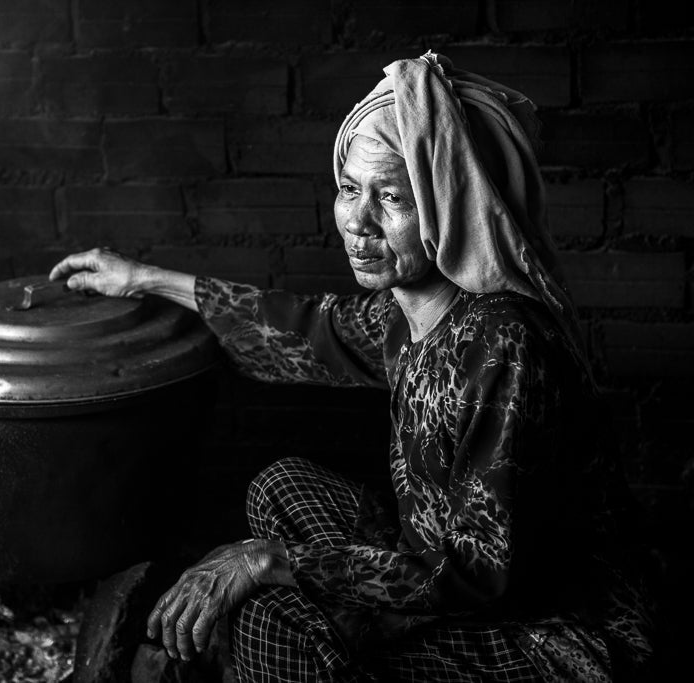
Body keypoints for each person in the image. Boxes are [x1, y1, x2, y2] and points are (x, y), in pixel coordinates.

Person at [50, 52, 655, 682]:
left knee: (267, 620)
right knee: (280, 487)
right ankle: (317, 648)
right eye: (348, 188)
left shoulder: (503, 345)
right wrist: (143, 278)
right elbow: (304, 326)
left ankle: (299, 652)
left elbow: (481, 574)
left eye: (392, 196)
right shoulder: (410, 314)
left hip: (549, 636)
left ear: (449, 205)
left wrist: (266, 563)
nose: (357, 222)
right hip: (448, 581)